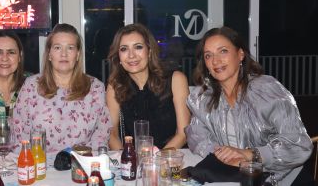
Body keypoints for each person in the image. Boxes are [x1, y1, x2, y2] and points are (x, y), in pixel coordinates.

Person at [185, 26, 313, 185]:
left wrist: (249, 155)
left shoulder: (266, 90)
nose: (215, 61)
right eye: (208, 55)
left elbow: (299, 145)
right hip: (239, 178)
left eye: (223, 51)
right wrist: (225, 155)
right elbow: (196, 137)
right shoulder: (204, 97)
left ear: (240, 54)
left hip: (284, 180)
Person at [13, 23, 112, 153]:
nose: (64, 54)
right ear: (49, 54)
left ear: (77, 55)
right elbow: (19, 135)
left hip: (82, 166)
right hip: (40, 167)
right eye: (57, 47)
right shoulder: (31, 86)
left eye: (70, 48)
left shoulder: (95, 88)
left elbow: (102, 134)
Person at [106, 23, 191, 150]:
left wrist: (157, 162)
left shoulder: (176, 80)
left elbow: (183, 133)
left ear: (149, 51)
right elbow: (112, 135)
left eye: (138, 47)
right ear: (118, 56)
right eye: (124, 49)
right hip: (133, 162)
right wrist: (125, 160)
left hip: (172, 159)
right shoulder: (115, 85)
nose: (131, 55)